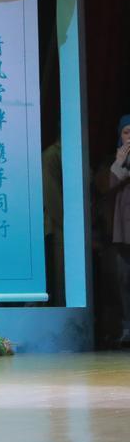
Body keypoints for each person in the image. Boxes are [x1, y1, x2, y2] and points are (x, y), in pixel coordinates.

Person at [95, 115, 130, 348]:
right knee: (123, 279)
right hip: (122, 231)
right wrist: (119, 163)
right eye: (126, 132)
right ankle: (126, 326)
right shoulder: (114, 162)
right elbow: (107, 187)